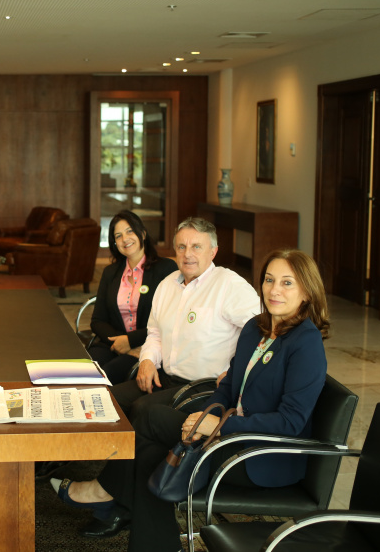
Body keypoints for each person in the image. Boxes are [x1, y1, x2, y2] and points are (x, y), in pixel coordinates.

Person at [52, 249, 330, 547]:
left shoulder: (306, 343)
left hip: (259, 456)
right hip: (228, 437)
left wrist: (219, 426)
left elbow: (290, 422)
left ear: (307, 292)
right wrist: (209, 414)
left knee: (148, 415)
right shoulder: (256, 328)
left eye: (287, 283)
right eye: (269, 280)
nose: (274, 290)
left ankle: (105, 492)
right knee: (147, 456)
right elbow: (228, 386)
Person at [110, 217, 260, 421]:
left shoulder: (230, 285)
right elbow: (155, 333)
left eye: (197, 246)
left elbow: (262, 332)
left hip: (204, 386)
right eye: (181, 247)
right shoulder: (166, 284)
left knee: (141, 410)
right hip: (165, 377)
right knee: (108, 400)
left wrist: (235, 371)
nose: (188, 254)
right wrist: (147, 360)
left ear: (213, 251)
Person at [88, 210, 177, 384]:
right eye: (118, 236)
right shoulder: (110, 273)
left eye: (130, 231)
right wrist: (121, 343)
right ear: (114, 243)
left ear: (142, 233)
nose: (125, 239)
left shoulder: (165, 269)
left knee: (106, 376)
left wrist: (131, 341)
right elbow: (97, 320)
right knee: (85, 369)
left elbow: (170, 320)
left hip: (147, 347)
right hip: (112, 343)